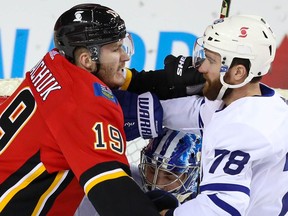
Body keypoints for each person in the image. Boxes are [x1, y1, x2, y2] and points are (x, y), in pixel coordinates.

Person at [0, 3, 166, 215]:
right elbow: (115, 198)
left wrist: (180, 79)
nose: (125, 56)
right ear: (87, 59)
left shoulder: (55, 61)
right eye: (116, 49)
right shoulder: (83, 107)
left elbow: (127, 80)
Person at [156, 14, 288, 215]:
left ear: (238, 73)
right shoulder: (265, 102)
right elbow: (198, 113)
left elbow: (220, 208)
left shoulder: (241, 127)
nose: (200, 66)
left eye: (210, 60)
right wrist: (136, 111)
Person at [75, 127, 202, 215]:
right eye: (152, 170)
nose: (156, 183)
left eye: (169, 176)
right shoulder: (119, 181)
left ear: (192, 176)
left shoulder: (206, 205)